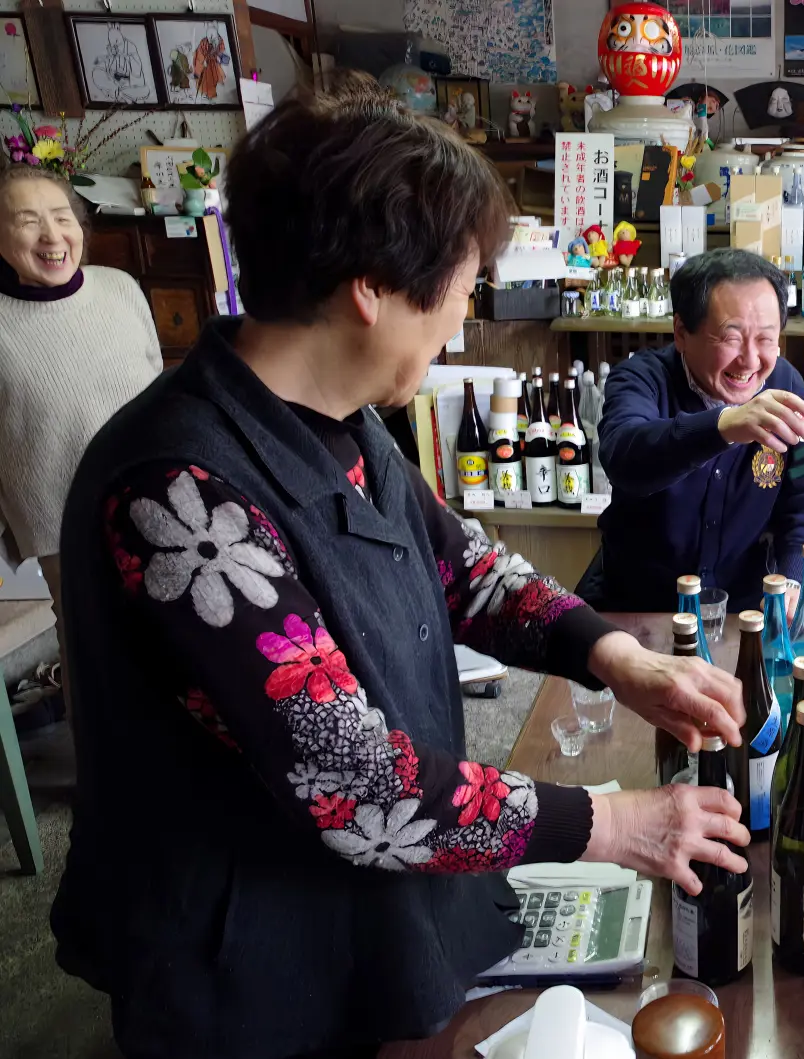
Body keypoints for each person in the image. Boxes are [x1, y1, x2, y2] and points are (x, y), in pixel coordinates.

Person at [51, 78, 750, 1059]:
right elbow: (353, 783)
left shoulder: (339, 424)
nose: (460, 323)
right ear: (371, 288)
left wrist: (613, 657)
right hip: (242, 959)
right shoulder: (178, 492)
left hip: (366, 912)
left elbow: (463, 568)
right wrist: (612, 822)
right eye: (461, 289)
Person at [581, 248, 804, 613]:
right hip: (639, 607)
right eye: (731, 339)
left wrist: (794, 577)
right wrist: (724, 425)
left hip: (745, 610)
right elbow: (624, 456)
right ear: (681, 332)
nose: (750, 361)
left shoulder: (785, 384)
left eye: (765, 339)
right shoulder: (642, 378)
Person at [0, 165, 161, 625]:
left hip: (159, 499)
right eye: (28, 222)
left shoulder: (120, 288)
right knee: (92, 648)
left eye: (61, 217)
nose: (52, 236)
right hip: (63, 525)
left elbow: (156, 386)